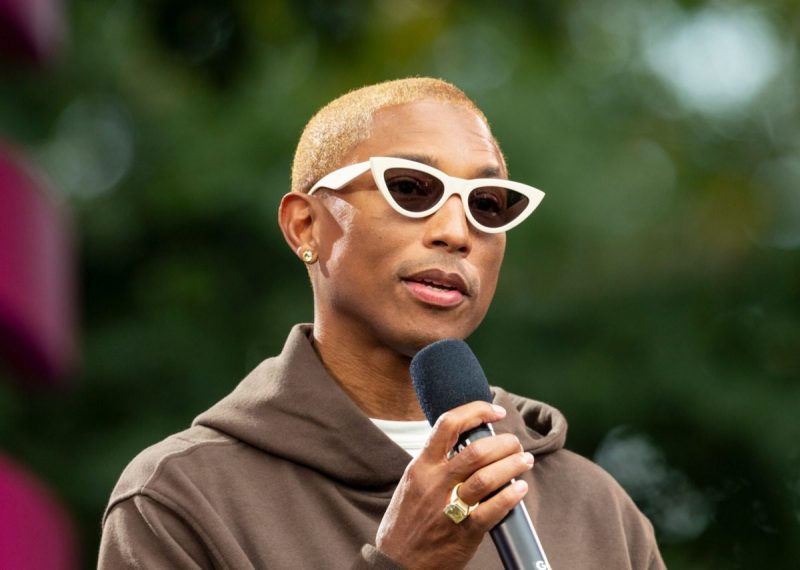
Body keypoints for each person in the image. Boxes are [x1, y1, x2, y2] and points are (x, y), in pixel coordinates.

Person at [98, 77, 665, 569]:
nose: (456, 232)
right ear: (305, 227)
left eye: (487, 203)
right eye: (412, 189)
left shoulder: (596, 510)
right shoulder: (183, 500)